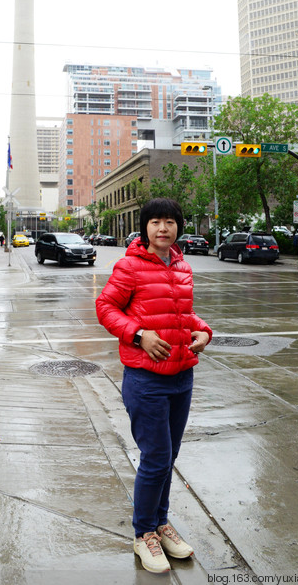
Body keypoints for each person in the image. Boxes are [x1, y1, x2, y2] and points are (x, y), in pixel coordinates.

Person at [96, 198, 212, 574]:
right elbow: (106, 307)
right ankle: (143, 532)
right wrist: (139, 334)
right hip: (146, 379)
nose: (163, 228)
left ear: (179, 227)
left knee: (168, 457)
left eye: (170, 222)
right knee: (157, 458)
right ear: (145, 228)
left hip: (182, 375)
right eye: (156, 222)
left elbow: (183, 312)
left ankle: (160, 524)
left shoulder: (181, 265)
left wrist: (203, 330)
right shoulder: (129, 266)